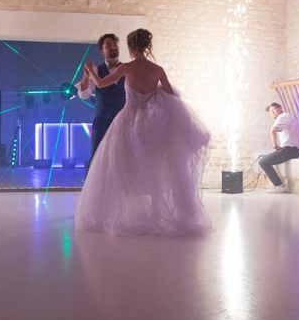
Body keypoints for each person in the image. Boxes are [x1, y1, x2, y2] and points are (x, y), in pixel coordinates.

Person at [74, 29, 212, 237]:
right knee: (153, 164)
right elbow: (172, 96)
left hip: (127, 121)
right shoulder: (157, 69)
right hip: (150, 124)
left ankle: (117, 213)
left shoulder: (126, 68)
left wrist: (90, 71)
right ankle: (157, 213)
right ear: (148, 46)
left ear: (129, 47)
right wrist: (154, 95)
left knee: (116, 166)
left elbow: (101, 84)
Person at [75, 33, 126, 162]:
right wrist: (86, 75)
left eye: (115, 45)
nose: (113, 47)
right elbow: (84, 95)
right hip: (102, 121)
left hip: (124, 122)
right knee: (97, 159)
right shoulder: (96, 70)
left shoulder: (127, 69)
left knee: (122, 158)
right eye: (109, 45)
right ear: (102, 51)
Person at [260, 102, 299, 193]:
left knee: (263, 162)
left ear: (280, 108)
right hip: (292, 149)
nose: (272, 113)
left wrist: (275, 145)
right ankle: (279, 185)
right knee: (265, 159)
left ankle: (279, 186)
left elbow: (272, 130)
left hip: (291, 150)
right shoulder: (287, 118)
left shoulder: (283, 117)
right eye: (270, 111)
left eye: (274, 109)